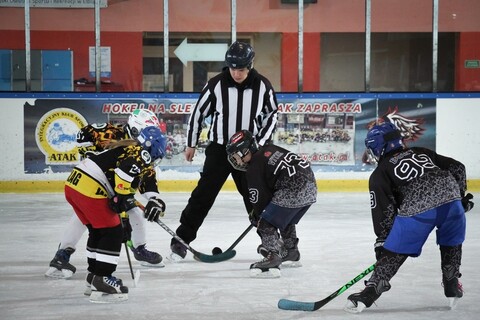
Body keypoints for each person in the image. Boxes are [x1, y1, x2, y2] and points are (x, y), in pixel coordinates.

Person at [345, 122, 474, 313]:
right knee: (451, 241)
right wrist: (459, 196)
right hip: (452, 202)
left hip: (419, 208)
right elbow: (457, 167)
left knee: (394, 253)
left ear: (379, 146)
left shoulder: (380, 173)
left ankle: (369, 293)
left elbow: (384, 213)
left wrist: (383, 242)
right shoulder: (421, 151)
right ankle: (451, 281)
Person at [170, 41, 279, 260]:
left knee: (255, 197)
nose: (236, 73)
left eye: (241, 69)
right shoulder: (216, 85)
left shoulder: (263, 86)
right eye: (233, 68)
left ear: (250, 66)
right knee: (203, 195)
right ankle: (181, 240)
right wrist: (191, 143)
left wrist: (259, 144)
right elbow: (197, 114)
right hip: (219, 150)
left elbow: (272, 115)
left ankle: (270, 243)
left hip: (249, 154)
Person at [45, 109, 164, 279]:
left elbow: (148, 178)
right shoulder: (109, 133)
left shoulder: (142, 150)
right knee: (88, 220)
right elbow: (83, 136)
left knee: (135, 214)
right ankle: (63, 253)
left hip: (114, 188)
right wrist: (90, 154)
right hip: (95, 185)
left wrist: (154, 199)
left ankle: (139, 249)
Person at [64, 126, 167, 303]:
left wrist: (127, 203)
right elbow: (124, 173)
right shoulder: (139, 152)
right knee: (113, 232)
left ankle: (93, 276)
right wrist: (124, 202)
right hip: (90, 187)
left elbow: (125, 181)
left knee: (98, 231)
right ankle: (103, 279)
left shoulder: (129, 147)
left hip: (74, 185)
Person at [226, 130, 317, 278]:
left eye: (236, 155)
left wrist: (257, 216)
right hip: (311, 187)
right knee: (284, 218)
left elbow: (259, 200)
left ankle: (273, 256)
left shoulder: (254, 167)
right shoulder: (270, 149)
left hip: (292, 188)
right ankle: (291, 251)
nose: (236, 160)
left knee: (266, 222)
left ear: (245, 151)